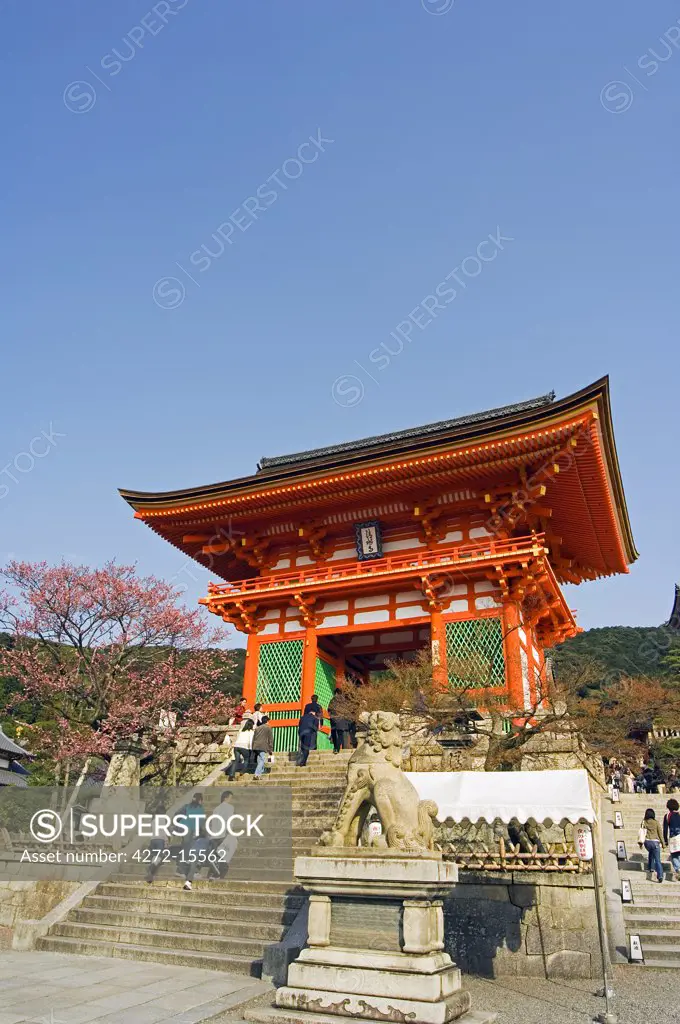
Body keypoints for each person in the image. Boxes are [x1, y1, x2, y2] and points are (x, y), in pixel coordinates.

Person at [177, 792, 207, 891]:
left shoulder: (187, 806)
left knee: (186, 848)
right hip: (192, 831)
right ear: (200, 800)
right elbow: (201, 823)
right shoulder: (200, 809)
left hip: (184, 828)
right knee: (193, 853)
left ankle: (181, 869)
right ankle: (190, 872)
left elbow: (176, 814)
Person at [207, 789, 238, 879]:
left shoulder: (216, 809)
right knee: (223, 855)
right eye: (230, 798)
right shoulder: (230, 808)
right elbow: (229, 821)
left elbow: (212, 822)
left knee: (217, 855)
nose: (230, 800)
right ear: (226, 798)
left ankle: (212, 874)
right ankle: (218, 875)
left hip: (214, 835)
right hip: (222, 835)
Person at [639, 808, 665, 883]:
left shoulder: (644, 822)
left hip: (647, 842)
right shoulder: (656, 822)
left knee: (651, 852)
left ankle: (651, 868)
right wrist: (663, 844)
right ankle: (660, 876)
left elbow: (641, 833)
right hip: (655, 842)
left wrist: (640, 844)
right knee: (657, 860)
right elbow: (660, 834)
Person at [328, 689, 351, 753]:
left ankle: (335, 748)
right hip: (341, 720)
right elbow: (347, 711)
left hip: (334, 720)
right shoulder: (344, 701)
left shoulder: (333, 700)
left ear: (336, 693)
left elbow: (329, 709)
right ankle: (337, 749)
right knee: (340, 735)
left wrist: (331, 716)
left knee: (334, 734)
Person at [664, 798, 680, 881]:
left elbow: (665, 829)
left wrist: (665, 841)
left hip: (673, 837)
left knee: (674, 855)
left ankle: (678, 869)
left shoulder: (667, 816)